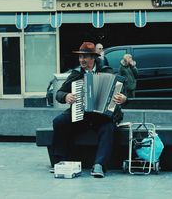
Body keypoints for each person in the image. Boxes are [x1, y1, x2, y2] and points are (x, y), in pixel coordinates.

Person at [51, 42, 128, 178]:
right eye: (80, 57)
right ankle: (60, 161)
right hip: (81, 115)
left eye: (85, 57)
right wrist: (66, 96)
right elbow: (59, 93)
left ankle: (99, 165)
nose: (82, 60)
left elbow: (123, 92)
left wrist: (123, 98)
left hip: (101, 117)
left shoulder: (107, 72)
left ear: (93, 58)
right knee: (59, 121)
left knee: (108, 128)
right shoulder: (76, 74)